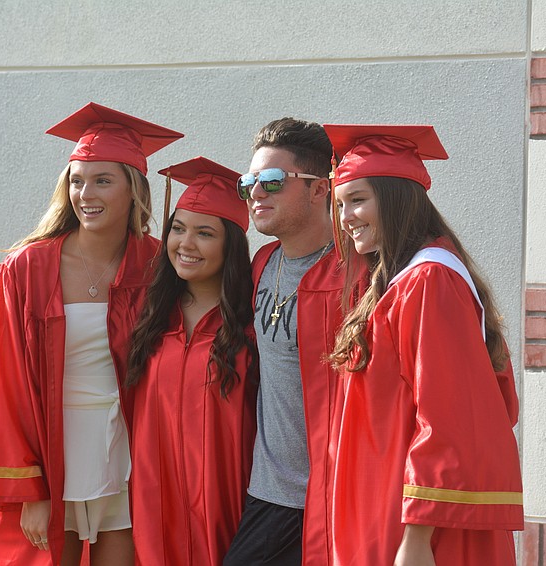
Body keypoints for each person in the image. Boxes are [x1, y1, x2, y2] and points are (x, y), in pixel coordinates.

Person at [0, 102, 183, 565]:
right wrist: (29, 488)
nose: (85, 193)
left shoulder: (158, 264)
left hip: (129, 447)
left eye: (102, 180)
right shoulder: (27, 269)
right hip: (53, 450)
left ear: (134, 189)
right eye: (76, 180)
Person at [326, 124, 524, 565]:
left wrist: (415, 541)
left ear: (398, 198)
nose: (346, 217)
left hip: (417, 526)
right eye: (339, 204)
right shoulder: (401, 280)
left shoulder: (429, 281)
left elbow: (447, 418)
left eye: (358, 199)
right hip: (386, 505)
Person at [224, 118, 366, 566]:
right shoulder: (264, 261)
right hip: (268, 493)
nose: (256, 194)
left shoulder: (358, 275)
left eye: (271, 181)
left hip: (335, 498)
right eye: (249, 183)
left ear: (320, 188)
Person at [125, 156, 258, 565]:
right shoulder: (149, 317)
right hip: (154, 504)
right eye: (178, 229)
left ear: (230, 245)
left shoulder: (252, 327)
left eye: (205, 233)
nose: (186, 244)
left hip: (228, 505)